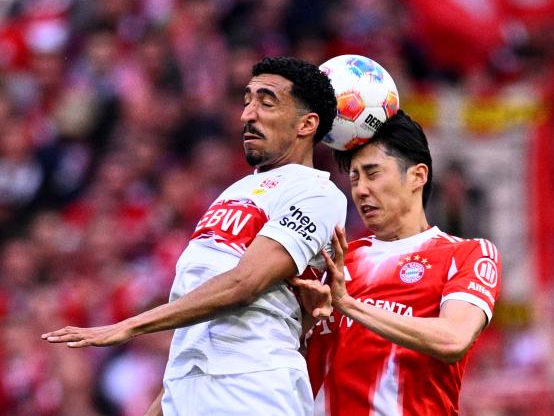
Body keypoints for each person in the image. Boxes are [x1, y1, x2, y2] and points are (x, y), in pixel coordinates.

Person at [42, 56, 347, 416]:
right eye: (247, 100)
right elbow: (194, 329)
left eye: (266, 102)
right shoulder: (232, 192)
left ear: (307, 124)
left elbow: (244, 283)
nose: (248, 114)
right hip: (191, 391)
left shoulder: (317, 193)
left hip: (253, 386)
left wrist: (129, 326)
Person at [298, 110, 502, 415]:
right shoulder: (334, 259)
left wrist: (349, 305)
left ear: (418, 176)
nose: (360, 189)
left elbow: (453, 339)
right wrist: (306, 322)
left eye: (373, 173)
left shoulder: (466, 254)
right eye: (354, 178)